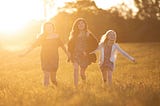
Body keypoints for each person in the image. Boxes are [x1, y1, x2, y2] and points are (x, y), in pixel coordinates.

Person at [21, 22, 69, 87]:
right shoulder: (42, 37)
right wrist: (24, 53)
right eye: (47, 27)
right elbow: (33, 46)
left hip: (54, 58)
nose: (49, 28)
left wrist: (68, 55)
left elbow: (63, 46)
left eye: (50, 27)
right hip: (45, 57)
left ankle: (57, 88)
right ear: (44, 29)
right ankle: (46, 90)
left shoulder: (56, 36)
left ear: (53, 28)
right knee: (46, 75)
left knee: (53, 78)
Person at [68, 18, 98, 87]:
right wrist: (69, 54)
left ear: (85, 25)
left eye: (82, 23)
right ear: (76, 26)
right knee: (75, 69)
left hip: (85, 55)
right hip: (75, 54)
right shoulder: (74, 34)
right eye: (79, 24)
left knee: (82, 73)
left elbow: (96, 44)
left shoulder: (88, 33)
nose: (81, 25)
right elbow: (70, 45)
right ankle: (75, 86)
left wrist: (88, 51)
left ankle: (84, 83)